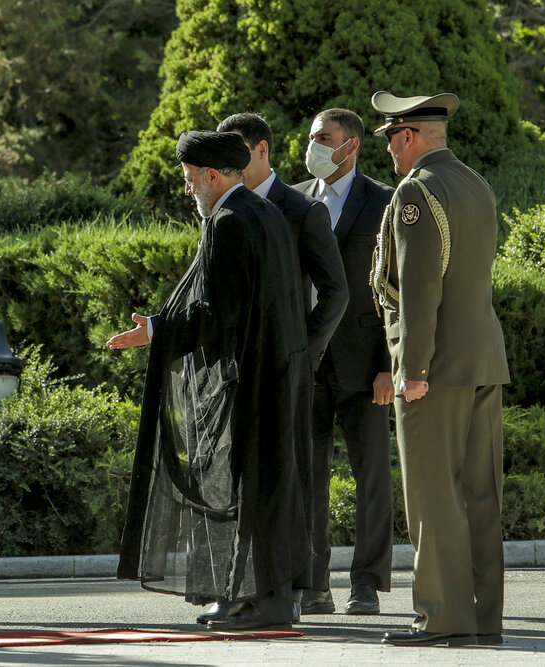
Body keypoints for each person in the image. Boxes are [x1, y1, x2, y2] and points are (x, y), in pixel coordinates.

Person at [109, 130, 347, 631]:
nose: (190, 190)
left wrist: (156, 330)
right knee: (273, 487)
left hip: (256, 379)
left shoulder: (231, 222)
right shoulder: (266, 215)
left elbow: (217, 315)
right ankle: (269, 599)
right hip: (279, 373)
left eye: (192, 181)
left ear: (213, 176)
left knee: (253, 488)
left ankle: (255, 600)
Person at [369, 91, 510, 647]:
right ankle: (483, 619)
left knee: (433, 496)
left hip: (437, 364)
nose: (390, 154)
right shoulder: (475, 183)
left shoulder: (416, 191)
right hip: (482, 359)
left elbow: (421, 288)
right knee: (480, 493)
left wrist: (413, 368)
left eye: (390, 141)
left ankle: (442, 618)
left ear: (407, 136)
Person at [215, 112, 349, 618]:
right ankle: (246, 590)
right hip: (240, 372)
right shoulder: (221, 205)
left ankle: (298, 589)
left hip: (290, 369)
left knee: (292, 479)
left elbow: (336, 291)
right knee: (245, 481)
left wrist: (303, 349)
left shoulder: (301, 209)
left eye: (237, 155)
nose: (228, 166)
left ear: (262, 150)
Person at [292, 108, 395, 616]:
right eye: (312, 137)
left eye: (323, 138)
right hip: (307, 364)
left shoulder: (382, 202)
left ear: (351, 145)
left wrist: (390, 364)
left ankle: (368, 584)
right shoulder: (294, 200)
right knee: (308, 479)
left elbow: (393, 292)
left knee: (372, 476)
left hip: (365, 365)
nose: (312, 145)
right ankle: (313, 586)